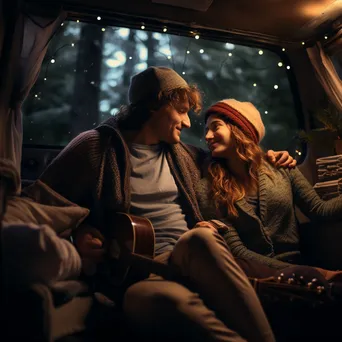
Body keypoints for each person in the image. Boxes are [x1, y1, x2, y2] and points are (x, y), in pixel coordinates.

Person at [24, 67, 296, 342]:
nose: (188, 123)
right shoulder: (95, 147)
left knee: (201, 237)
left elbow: (237, 158)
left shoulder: (186, 156)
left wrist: (271, 158)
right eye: (181, 111)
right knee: (150, 300)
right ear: (156, 104)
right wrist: (78, 234)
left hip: (190, 255)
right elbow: (39, 206)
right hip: (139, 275)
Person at [197, 98, 342, 275]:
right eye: (206, 130)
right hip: (253, 273)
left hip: (298, 263)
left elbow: (320, 210)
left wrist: (305, 270)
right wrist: (309, 272)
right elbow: (238, 251)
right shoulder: (207, 188)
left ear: (240, 129)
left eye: (215, 127)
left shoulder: (280, 167)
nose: (207, 136)